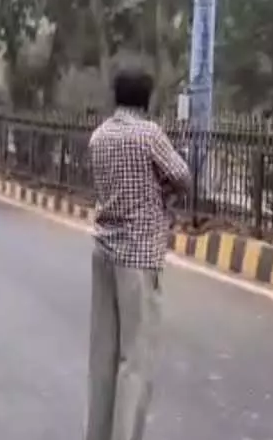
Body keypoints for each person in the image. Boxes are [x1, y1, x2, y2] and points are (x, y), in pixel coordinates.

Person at [84, 67, 191, 440]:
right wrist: (162, 191)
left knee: (103, 355)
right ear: (146, 100)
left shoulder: (99, 136)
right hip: (139, 255)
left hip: (104, 250)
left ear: (116, 97)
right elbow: (182, 175)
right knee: (135, 359)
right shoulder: (148, 135)